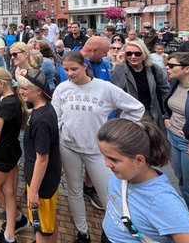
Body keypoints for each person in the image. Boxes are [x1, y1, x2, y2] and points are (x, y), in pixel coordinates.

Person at [52, 52, 145, 243]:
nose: (70, 73)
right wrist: (62, 129)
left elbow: (136, 108)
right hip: (68, 147)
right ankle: (82, 232)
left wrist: (117, 132)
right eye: (66, 69)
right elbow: (56, 115)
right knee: (74, 190)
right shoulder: (62, 89)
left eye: (74, 69)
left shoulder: (105, 88)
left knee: (108, 193)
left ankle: (111, 233)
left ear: (84, 66)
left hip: (96, 151)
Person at [97, 118, 189, 243]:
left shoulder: (161, 200)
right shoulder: (122, 174)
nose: (106, 164)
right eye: (103, 155)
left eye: (113, 159)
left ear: (139, 160)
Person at [0, 67, 29, 243]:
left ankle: (16, 219)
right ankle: (11, 231)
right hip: (13, 152)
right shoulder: (15, 100)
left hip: (2, 155)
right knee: (9, 192)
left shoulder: (4, 105)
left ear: (2, 83)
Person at [17, 68, 60, 243]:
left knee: (41, 229)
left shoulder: (41, 120)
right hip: (46, 179)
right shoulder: (44, 109)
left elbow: (42, 158)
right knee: (49, 223)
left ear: (39, 91)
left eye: (25, 89)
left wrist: (33, 191)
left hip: (41, 185)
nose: (21, 92)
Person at [162, 52, 189, 208]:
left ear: (187, 69)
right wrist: (167, 117)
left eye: (172, 65)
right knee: (180, 178)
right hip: (173, 136)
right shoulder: (176, 82)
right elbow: (170, 104)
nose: (167, 68)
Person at [111, 40, 169, 131]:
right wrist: (119, 64)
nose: (133, 57)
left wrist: (167, 113)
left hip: (150, 113)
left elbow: (165, 90)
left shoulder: (153, 68)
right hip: (127, 115)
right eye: (129, 53)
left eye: (137, 53)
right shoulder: (120, 68)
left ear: (144, 54)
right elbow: (118, 88)